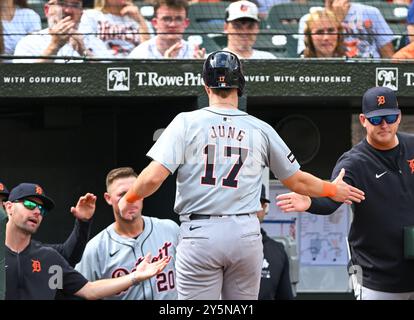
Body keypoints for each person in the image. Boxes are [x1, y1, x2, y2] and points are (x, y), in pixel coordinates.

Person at [118, 50, 365, 300]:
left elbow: (152, 178)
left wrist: (127, 199)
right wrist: (333, 189)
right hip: (245, 232)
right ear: (241, 86)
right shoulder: (260, 128)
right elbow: (296, 180)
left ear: (206, 86)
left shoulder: (185, 122)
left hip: (200, 231)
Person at [277, 86, 414, 300]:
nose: (384, 125)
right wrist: (310, 202)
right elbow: (333, 200)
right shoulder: (354, 162)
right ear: (363, 120)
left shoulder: (412, 145)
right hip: (377, 275)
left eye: (389, 117)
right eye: (376, 119)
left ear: (399, 117)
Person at [4, 182, 170, 300]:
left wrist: (135, 276)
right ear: (9, 207)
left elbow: (89, 290)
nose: (36, 212)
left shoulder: (47, 258)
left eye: (41, 209)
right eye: (29, 204)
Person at [75, 167, 179, 300]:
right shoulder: (96, 248)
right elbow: (80, 292)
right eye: (122, 194)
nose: (130, 199)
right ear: (108, 198)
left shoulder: (170, 230)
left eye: (135, 192)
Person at [13, 0, 112, 63]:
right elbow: (24, 83)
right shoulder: (29, 42)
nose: (68, 10)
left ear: (81, 14)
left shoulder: (93, 41)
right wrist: (53, 46)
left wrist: (84, 52)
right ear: (47, 10)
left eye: (75, 5)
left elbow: (107, 78)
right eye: (61, 3)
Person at [297, 0, 395, 58]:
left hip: (371, 70)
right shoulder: (309, 18)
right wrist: (337, 19)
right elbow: (307, 55)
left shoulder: (371, 12)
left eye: (330, 30)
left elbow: (388, 55)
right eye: (320, 32)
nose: (326, 36)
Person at [128, 0, 205, 59]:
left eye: (178, 19)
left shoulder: (195, 54)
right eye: (166, 19)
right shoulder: (140, 54)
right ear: (155, 23)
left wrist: (200, 68)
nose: (172, 24)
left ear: (186, 23)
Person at [257, 184, 294, 300]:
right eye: (247, 203)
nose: (253, 209)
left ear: (264, 207)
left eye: (258, 203)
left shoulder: (277, 251)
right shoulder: (224, 246)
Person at [78, 0, 151, 57]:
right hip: (100, 67)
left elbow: (149, 50)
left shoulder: (136, 17)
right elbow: (85, 46)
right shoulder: (91, 15)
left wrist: (140, 20)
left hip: (135, 68)